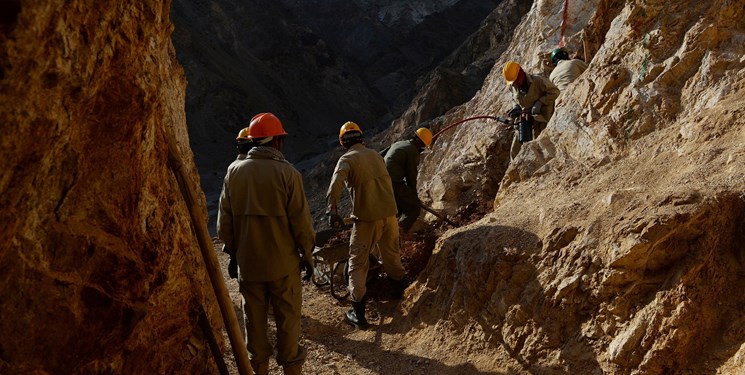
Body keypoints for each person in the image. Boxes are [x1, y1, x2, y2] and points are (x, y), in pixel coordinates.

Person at [217, 112, 315, 375]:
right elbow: (302, 224)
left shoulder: (233, 172)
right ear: (277, 142)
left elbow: (223, 225)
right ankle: (291, 368)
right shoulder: (289, 174)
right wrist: (307, 255)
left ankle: (258, 368)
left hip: (249, 266)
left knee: (254, 322)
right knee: (288, 322)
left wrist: (234, 254)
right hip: (283, 266)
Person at [326, 121, 408, 328]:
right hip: (389, 216)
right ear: (361, 138)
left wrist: (332, 211)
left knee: (357, 262)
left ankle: (358, 314)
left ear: (342, 142)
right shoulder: (375, 155)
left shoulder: (346, 160)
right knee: (391, 254)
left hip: (367, 220)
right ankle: (400, 295)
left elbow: (334, 186)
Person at [502, 61, 560, 160]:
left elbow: (555, 92)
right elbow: (514, 99)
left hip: (540, 121)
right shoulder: (513, 86)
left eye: (516, 80)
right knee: (515, 150)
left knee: (540, 148)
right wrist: (516, 107)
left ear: (521, 73)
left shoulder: (538, 81)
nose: (515, 84)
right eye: (513, 82)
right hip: (525, 121)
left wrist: (540, 102)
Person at [380, 128, 432, 234]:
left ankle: (387, 231)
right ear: (420, 143)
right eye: (422, 146)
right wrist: (414, 198)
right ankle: (398, 235)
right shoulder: (412, 151)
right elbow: (411, 177)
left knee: (398, 208)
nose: (421, 149)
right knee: (413, 209)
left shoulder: (399, 143)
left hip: (381, 180)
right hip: (394, 182)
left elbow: (379, 155)